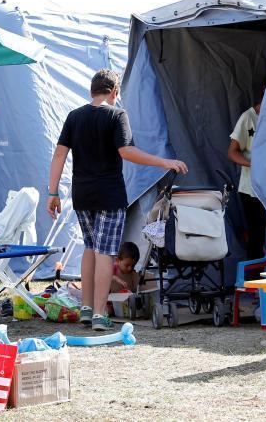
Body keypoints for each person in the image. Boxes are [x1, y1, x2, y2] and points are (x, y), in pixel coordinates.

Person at [47, 69, 187, 331]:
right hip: (109, 194)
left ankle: (87, 309)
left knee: (89, 248)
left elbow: (59, 155)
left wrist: (53, 192)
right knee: (105, 252)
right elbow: (127, 151)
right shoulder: (117, 115)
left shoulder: (74, 116)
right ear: (114, 92)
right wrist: (164, 162)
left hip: (82, 194)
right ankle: (100, 313)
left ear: (92, 91)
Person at [228, 91, 266, 259]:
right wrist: (253, 164)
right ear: (265, 88)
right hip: (252, 188)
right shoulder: (249, 118)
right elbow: (232, 152)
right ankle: (254, 279)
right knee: (256, 235)